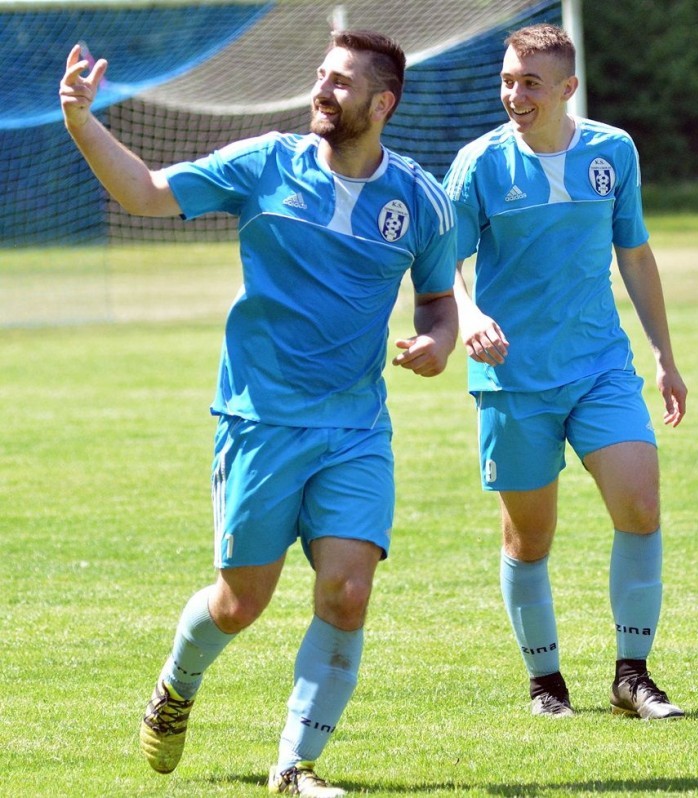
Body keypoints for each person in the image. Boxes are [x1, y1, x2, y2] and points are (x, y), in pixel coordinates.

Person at [60, 30, 457, 797]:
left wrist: (438, 343)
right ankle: (176, 685)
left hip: (356, 429)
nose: (321, 91)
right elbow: (145, 193)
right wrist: (83, 120)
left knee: (347, 591)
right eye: (320, 76)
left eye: (340, 83)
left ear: (383, 103)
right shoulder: (267, 164)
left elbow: (438, 300)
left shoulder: (419, 199)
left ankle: (294, 766)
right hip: (260, 422)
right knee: (241, 604)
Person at [443, 24, 687, 721]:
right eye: (508, 80)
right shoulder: (479, 165)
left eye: (530, 83)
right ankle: (546, 682)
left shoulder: (614, 152)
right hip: (514, 378)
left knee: (640, 506)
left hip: (600, 367)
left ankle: (632, 675)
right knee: (530, 537)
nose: (514, 95)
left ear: (567, 89)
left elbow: (635, 255)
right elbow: (441, 268)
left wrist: (666, 356)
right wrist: (468, 318)